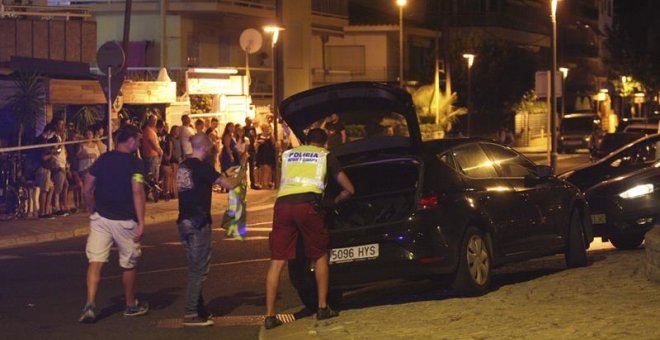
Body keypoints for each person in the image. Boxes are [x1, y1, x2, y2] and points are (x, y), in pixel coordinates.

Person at [264, 128, 354, 329]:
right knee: (319, 255)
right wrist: (333, 201)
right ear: (325, 143)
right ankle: (322, 307)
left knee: (277, 262)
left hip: (283, 206)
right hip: (308, 207)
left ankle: (270, 316)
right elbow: (349, 188)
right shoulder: (325, 156)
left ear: (306, 141)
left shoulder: (288, 154)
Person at [79, 125, 149, 323]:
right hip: (125, 220)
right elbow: (137, 191)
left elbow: (87, 187)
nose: (139, 143)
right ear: (130, 141)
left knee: (96, 261)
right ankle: (130, 304)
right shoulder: (135, 163)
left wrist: (90, 207)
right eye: (138, 139)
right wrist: (142, 222)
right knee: (128, 263)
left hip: (101, 218)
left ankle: (90, 304)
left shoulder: (104, 158)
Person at [176, 133, 243, 327]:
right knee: (199, 269)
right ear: (204, 147)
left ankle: (199, 308)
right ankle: (190, 313)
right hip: (198, 222)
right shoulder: (203, 168)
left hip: (184, 220)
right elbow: (228, 184)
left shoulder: (183, 166)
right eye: (210, 147)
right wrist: (241, 173)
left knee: (193, 266)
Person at [50, 118, 70, 216]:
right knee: (58, 187)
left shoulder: (60, 136)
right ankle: (56, 208)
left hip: (63, 163)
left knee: (65, 185)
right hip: (57, 164)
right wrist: (63, 142)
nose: (62, 127)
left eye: (63, 124)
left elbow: (63, 151)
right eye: (60, 124)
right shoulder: (54, 137)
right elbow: (56, 151)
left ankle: (63, 205)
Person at [142, 115, 163, 185]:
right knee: (152, 176)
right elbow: (152, 143)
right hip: (151, 156)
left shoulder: (152, 130)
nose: (155, 122)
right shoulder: (148, 130)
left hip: (154, 155)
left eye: (155, 120)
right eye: (153, 120)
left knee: (155, 175)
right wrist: (159, 150)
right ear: (149, 120)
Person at [256, 124, 276, 189]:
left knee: (268, 168)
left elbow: (273, 143)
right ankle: (262, 183)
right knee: (262, 168)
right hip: (261, 153)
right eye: (265, 128)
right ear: (262, 128)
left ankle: (267, 183)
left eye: (267, 128)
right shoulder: (259, 136)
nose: (267, 129)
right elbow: (256, 144)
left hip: (269, 153)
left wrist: (271, 136)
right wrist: (258, 143)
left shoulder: (270, 136)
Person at [244, 117, 259, 190]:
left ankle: (253, 183)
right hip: (245, 149)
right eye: (248, 121)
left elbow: (255, 136)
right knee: (244, 167)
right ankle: (245, 183)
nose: (249, 122)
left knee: (252, 167)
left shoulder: (253, 128)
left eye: (250, 121)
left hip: (252, 149)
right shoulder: (244, 129)